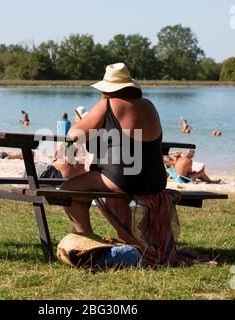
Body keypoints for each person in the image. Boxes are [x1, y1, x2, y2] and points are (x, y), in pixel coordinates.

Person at [60, 63, 167, 234]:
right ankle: (130, 238)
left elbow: (74, 133)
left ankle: (87, 238)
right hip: (156, 181)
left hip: (125, 180)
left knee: (66, 191)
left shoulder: (109, 105)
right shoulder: (149, 106)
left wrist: (67, 143)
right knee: (110, 189)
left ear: (107, 89)